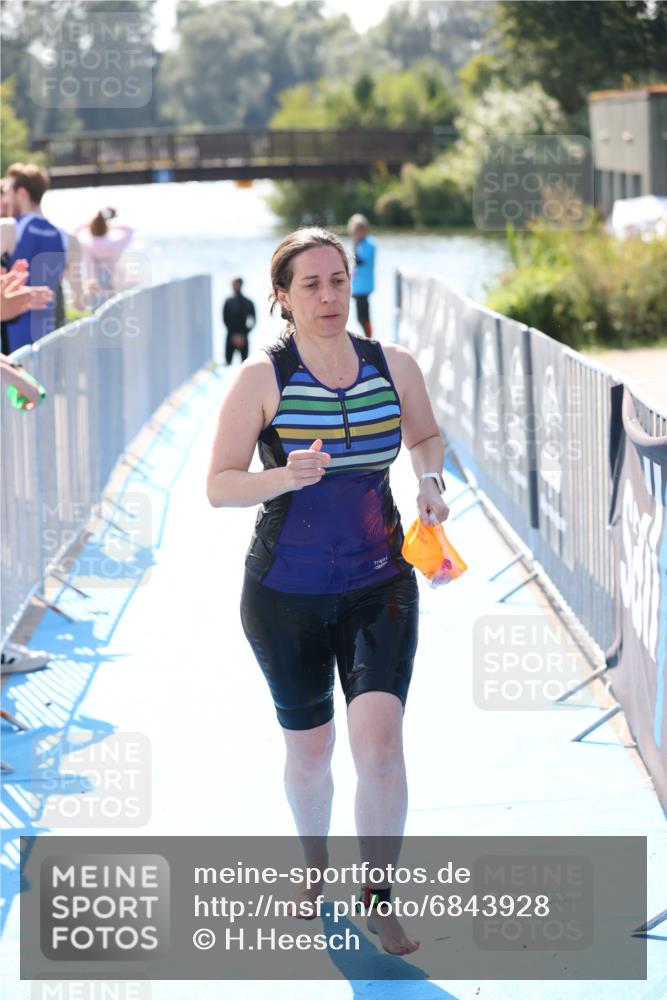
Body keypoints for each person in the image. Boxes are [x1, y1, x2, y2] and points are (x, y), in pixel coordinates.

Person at [206, 227, 449, 956]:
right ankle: (313, 868)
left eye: (337, 280)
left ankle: (379, 896)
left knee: (378, 748)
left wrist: (430, 481)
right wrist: (284, 475)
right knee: (310, 753)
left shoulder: (391, 363)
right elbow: (218, 486)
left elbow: (427, 436)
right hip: (285, 593)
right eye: (309, 285)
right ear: (279, 296)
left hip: (381, 583)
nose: (328, 296)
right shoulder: (261, 379)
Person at [0, 164, 67, 352]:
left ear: (20, 193)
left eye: (6, 191)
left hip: (12, 338)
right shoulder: (64, 236)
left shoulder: (8, 227)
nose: (4, 199)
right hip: (48, 337)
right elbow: (78, 298)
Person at [73, 208, 134, 310]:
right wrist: (109, 223)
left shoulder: (85, 244)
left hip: (93, 287)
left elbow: (74, 231)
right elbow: (129, 230)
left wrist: (90, 223)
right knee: (115, 316)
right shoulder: (115, 243)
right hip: (114, 286)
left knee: (98, 319)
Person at [347, 213, 376, 339]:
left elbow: (360, 260)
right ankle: (368, 337)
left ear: (364, 229)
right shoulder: (359, 244)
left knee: (363, 316)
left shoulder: (369, 243)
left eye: (357, 231)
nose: (355, 234)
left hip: (365, 286)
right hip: (358, 286)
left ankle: (369, 339)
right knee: (360, 317)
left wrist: (352, 248)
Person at [222, 276, 256, 364]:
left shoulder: (248, 302)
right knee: (228, 363)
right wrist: (236, 335)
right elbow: (225, 319)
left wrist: (243, 334)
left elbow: (253, 321)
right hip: (232, 336)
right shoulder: (228, 302)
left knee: (245, 365)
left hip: (241, 337)